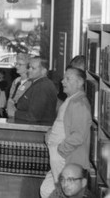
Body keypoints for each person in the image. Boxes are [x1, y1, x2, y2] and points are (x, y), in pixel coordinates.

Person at [40, 67, 91, 198]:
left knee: (64, 193)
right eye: (64, 78)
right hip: (58, 157)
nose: (63, 81)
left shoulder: (79, 103)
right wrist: (50, 132)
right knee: (46, 190)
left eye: (68, 79)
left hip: (65, 158)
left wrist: (60, 150)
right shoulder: (71, 100)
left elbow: (79, 135)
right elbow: (62, 123)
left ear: (79, 83)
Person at [14, 57, 58, 124]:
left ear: (44, 71)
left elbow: (33, 117)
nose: (29, 70)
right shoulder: (38, 84)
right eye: (29, 67)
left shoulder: (42, 86)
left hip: (37, 130)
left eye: (33, 68)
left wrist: (14, 113)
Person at [6, 53, 31, 118]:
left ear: (28, 67)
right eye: (16, 64)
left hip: (22, 116)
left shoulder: (31, 82)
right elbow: (10, 98)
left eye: (20, 64)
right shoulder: (16, 81)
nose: (16, 66)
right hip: (11, 114)